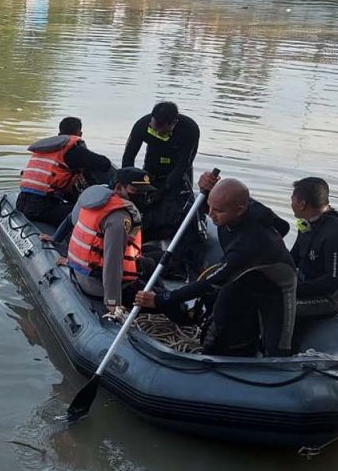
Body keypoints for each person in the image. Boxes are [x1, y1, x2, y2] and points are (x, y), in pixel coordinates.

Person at [135, 175, 297, 357]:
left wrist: (161, 299)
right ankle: (211, 355)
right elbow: (282, 227)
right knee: (218, 322)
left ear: (240, 210)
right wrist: (204, 186)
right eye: (209, 206)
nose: (210, 214)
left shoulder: (248, 245)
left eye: (218, 210)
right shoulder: (243, 209)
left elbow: (210, 282)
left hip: (274, 287)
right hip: (242, 277)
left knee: (278, 348)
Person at [55, 167, 156, 316]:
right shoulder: (119, 218)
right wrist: (112, 301)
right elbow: (112, 262)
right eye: (135, 190)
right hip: (98, 286)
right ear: (119, 187)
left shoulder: (96, 202)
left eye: (144, 192)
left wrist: (57, 243)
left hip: (81, 273)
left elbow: (77, 226)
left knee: (152, 255)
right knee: (155, 277)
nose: (141, 196)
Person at [121, 101, 201, 240]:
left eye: (161, 130)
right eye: (154, 128)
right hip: (152, 165)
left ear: (173, 123)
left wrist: (163, 189)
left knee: (177, 207)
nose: (157, 132)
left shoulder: (190, 129)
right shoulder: (142, 125)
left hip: (178, 169)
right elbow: (128, 157)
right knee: (143, 201)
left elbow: (183, 164)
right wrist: (129, 183)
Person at [17, 116, 114, 227]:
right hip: (41, 208)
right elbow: (104, 164)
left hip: (21, 202)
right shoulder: (73, 150)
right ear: (80, 134)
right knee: (88, 213)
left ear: (59, 134)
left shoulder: (44, 148)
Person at [290, 177, 338, 318]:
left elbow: (334, 281)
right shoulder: (306, 224)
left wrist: (293, 289)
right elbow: (293, 258)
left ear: (302, 204)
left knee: (276, 307)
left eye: (292, 199)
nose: (290, 203)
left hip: (328, 299)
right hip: (303, 283)